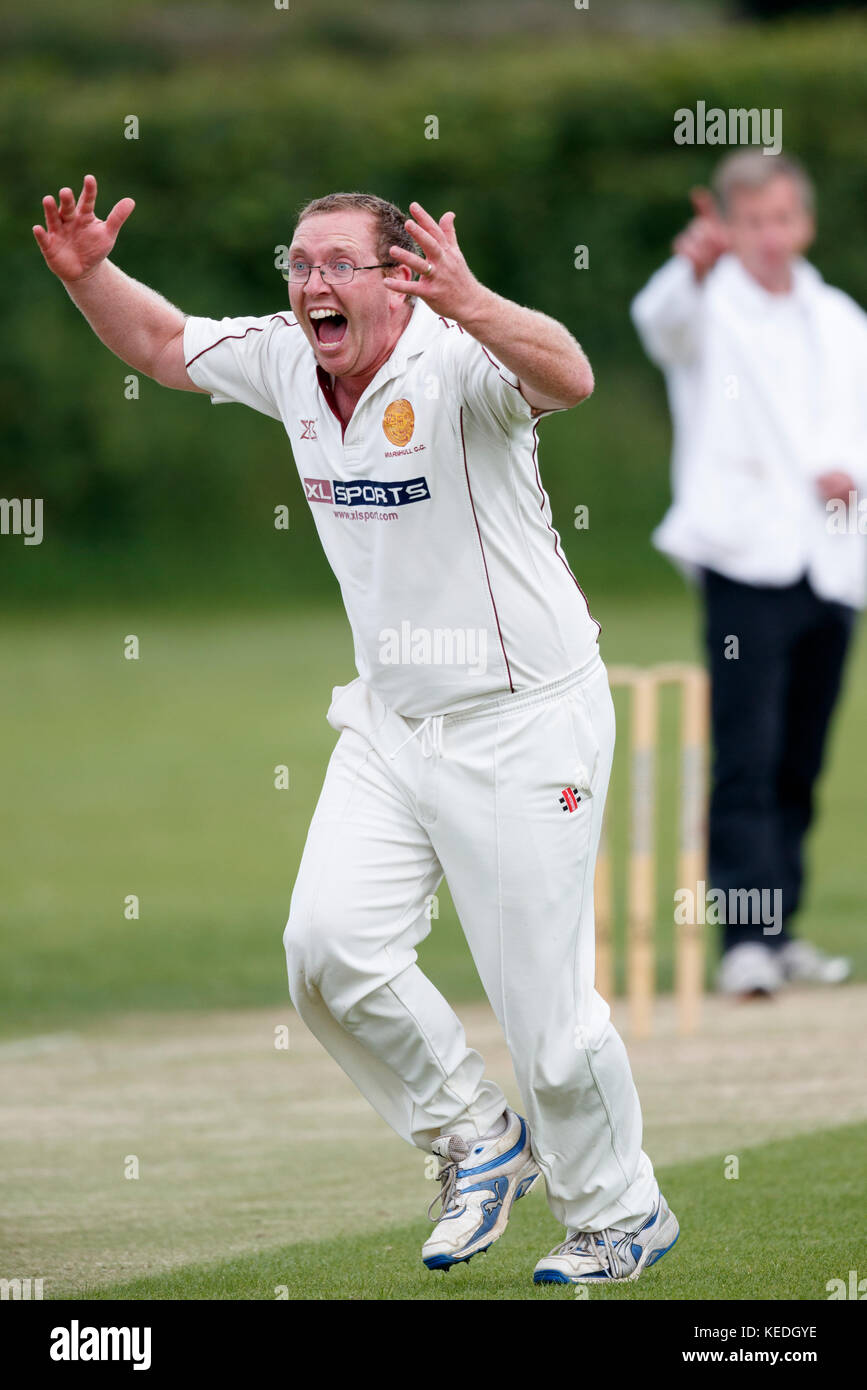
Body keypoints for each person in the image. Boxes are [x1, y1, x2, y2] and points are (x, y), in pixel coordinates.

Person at [34, 174, 680, 1285]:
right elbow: (160, 344)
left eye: (338, 264)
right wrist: (90, 273)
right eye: (298, 263)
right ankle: (478, 1138)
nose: (311, 284)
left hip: (526, 719)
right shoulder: (292, 356)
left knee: (552, 1027)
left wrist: (474, 300)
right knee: (326, 953)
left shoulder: (458, 360)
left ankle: (624, 1216)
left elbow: (568, 374)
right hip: (391, 717)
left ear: (399, 278)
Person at [631, 151, 861, 998]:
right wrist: (687, 268)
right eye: (751, 221)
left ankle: (784, 925)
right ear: (725, 223)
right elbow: (658, 324)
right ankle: (744, 940)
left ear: (803, 222)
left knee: (800, 757)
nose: (769, 237)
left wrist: (848, 476)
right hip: (742, 560)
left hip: (831, 558)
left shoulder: (837, 317)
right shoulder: (704, 302)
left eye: (782, 220)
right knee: (747, 753)